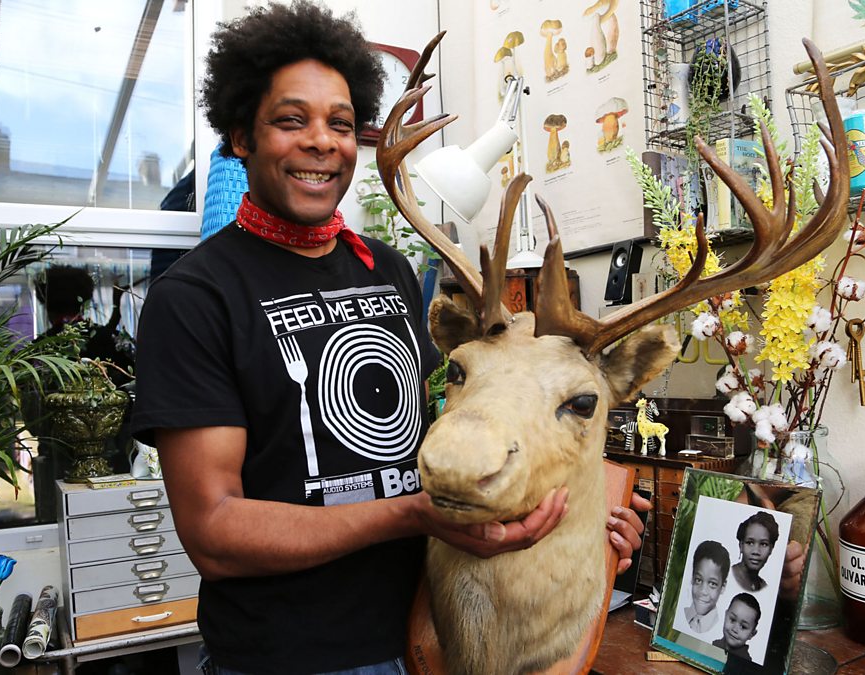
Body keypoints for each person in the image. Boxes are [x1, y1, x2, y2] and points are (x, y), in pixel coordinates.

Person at [128, 3, 648, 674]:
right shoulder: (196, 298)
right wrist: (410, 515)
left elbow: (462, 431)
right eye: (291, 120)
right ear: (240, 136)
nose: (322, 142)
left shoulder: (389, 269)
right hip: (290, 658)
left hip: (428, 632)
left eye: (341, 124)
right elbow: (215, 532)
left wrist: (586, 513)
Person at [683, 539, 730, 634]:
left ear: (723, 586)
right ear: (692, 577)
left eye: (712, 584)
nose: (703, 591)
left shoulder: (721, 629)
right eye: (698, 580)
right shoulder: (680, 616)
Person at [731, 511, 779, 592]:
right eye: (750, 543)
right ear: (741, 545)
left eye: (763, 544)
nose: (756, 551)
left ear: (771, 548)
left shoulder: (764, 586)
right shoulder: (726, 576)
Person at [712, 592, 762, 662]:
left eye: (743, 627)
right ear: (726, 615)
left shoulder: (745, 662)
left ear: (752, 634)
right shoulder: (713, 645)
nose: (734, 629)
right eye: (732, 620)